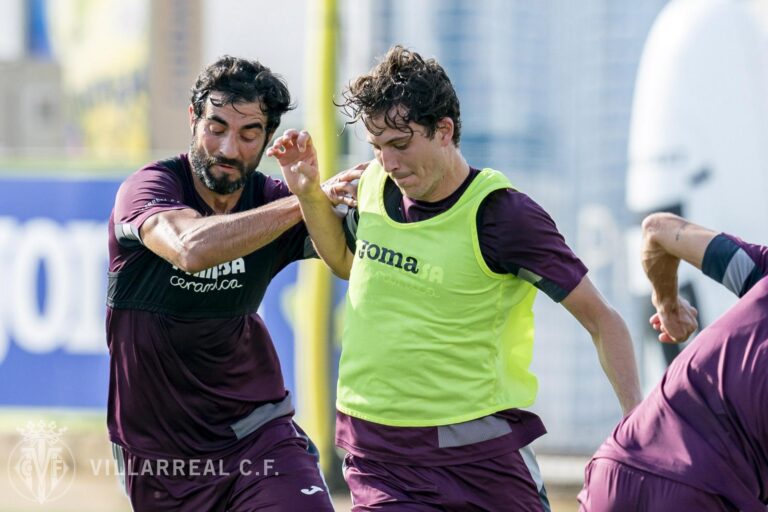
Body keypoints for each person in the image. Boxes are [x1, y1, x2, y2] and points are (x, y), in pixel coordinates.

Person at [268, 45, 642, 511]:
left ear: (444, 130)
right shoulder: (373, 185)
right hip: (379, 452)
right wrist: (308, 194)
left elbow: (601, 319)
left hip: (480, 457)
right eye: (378, 147)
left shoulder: (504, 216)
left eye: (401, 145)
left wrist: (636, 422)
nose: (389, 162)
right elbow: (348, 264)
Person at [107, 55, 359, 511]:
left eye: (248, 134)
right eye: (216, 127)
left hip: (257, 434)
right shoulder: (149, 188)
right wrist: (306, 200)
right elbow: (190, 249)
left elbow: (344, 260)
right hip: (161, 458)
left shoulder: (273, 199)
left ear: (267, 138)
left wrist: (328, 200)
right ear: (193, 118)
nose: (227, 149)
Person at [578, 213, 768, 511]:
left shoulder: (761, 272)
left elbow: (658, 231)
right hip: (702, 492)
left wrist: (668, 305)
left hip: (616, 470)